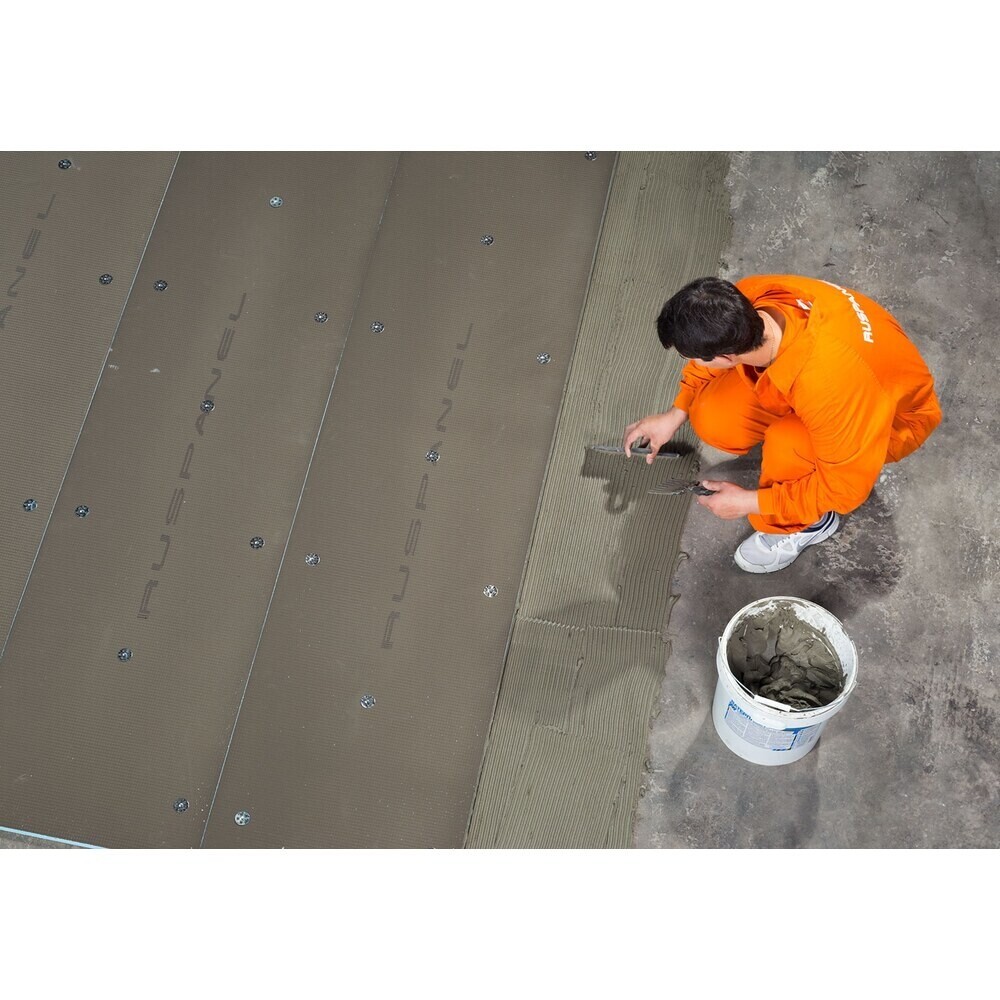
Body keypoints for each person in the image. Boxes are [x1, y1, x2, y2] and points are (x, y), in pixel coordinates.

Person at [622, 275, 942, 573]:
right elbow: (712, 363)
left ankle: (810, 525)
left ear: (726, 357)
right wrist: (676, 413)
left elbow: (845, 490)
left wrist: (748, 502)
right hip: (830, 379)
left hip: (893, 420)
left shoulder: (831, 388)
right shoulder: (746, 298)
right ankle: (797, 441)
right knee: (714, 417)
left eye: (694, 357)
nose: (693, 363)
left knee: (787, 444)